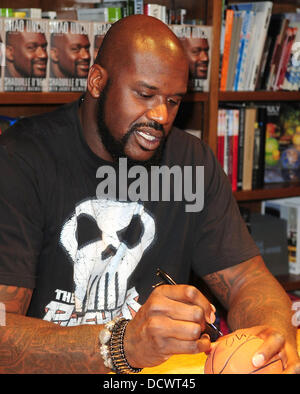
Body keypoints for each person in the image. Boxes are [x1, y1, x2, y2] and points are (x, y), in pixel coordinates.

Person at [0, 15, 299, 374]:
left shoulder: (191, 161)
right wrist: (124, 344)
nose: (160, 116)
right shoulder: (21, 158)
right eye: (144, 95)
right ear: (97, 81)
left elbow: (248, 280)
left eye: (173, 101)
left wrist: (275, 340)